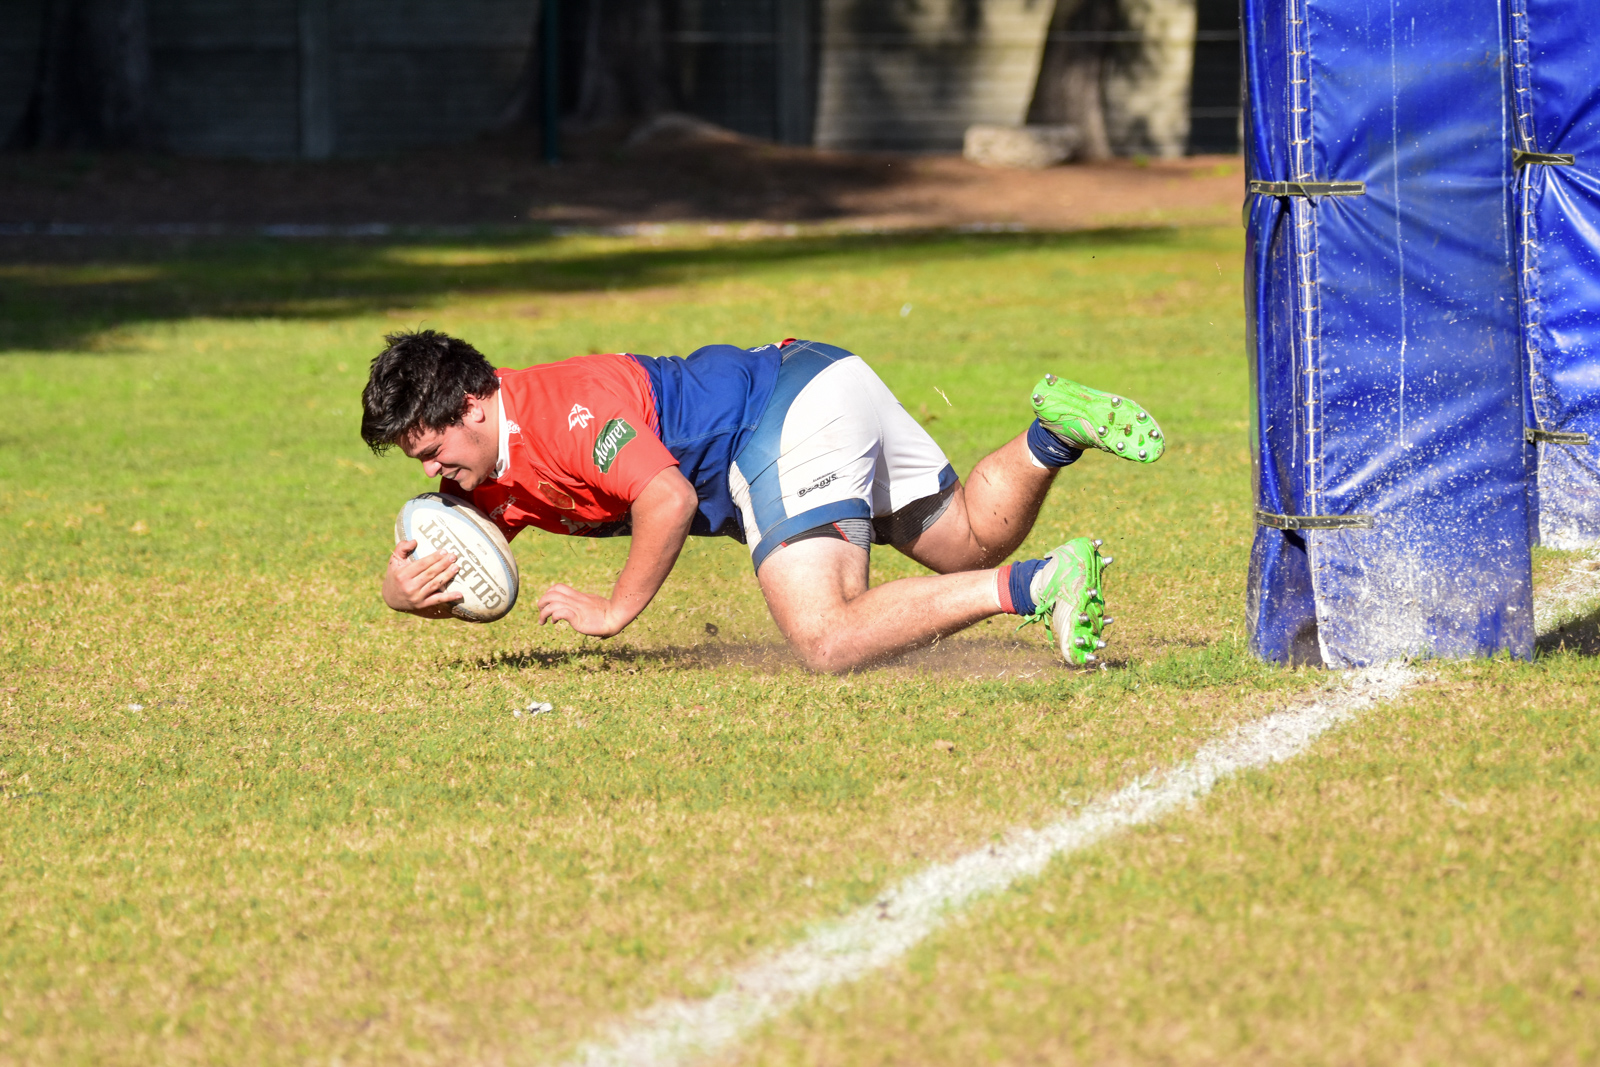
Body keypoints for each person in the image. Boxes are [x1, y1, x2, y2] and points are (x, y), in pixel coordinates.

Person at [359, 331, 1164, 672]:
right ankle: (1053, 435)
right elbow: (472, 558)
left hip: (781, 415)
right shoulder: (488, 461)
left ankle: (1044, 582)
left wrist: (612, 612)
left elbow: (666, 498)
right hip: (820, 373)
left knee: (825, 634)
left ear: (473, 405)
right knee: (962, 540)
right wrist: (407, 596)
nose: (436, 475)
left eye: (432, 452)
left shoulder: (567, 415)